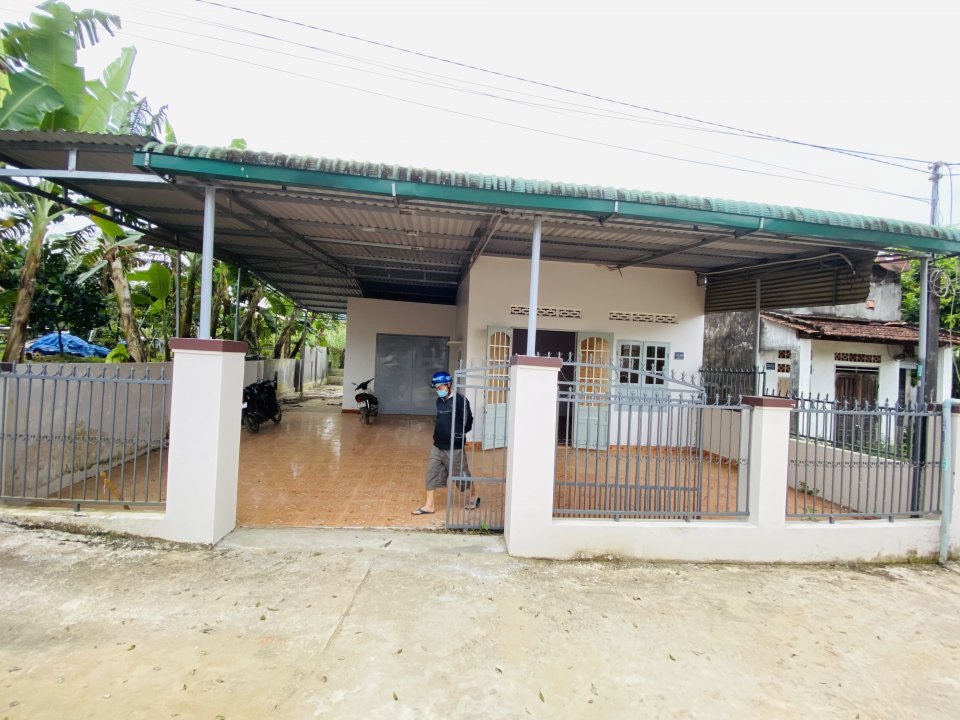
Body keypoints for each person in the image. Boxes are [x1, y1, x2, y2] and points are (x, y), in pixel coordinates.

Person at [412, 370, 477, 515]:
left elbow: (468, 422)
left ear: (448, 384)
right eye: (436, 388)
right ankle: (429, 505)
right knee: (431, 473)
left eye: (440, 387)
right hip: (438, 444)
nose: (438, 390)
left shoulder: (460, 400)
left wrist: (457, 434)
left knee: (461, 477)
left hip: (454, 447)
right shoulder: (439, 401)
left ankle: (473, 495)